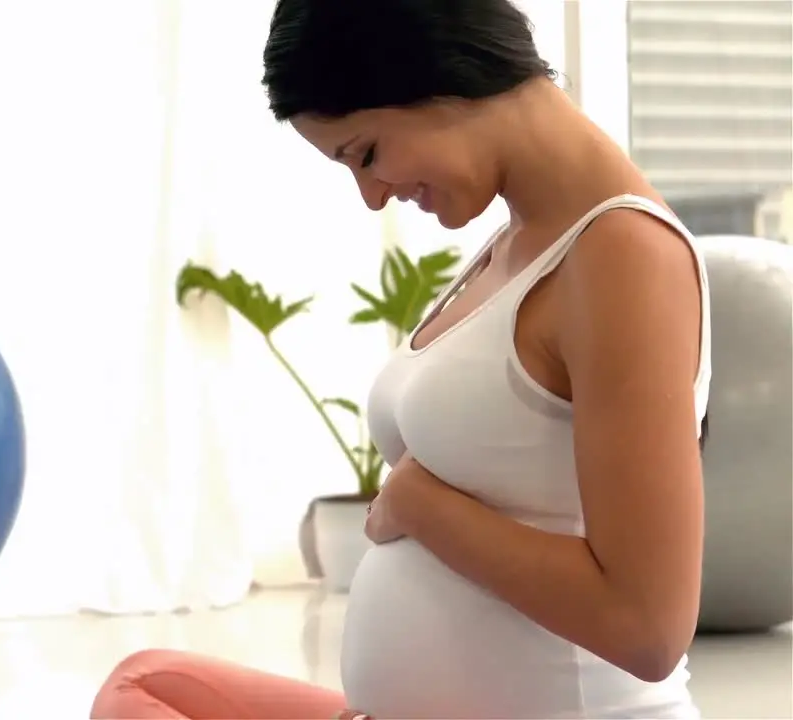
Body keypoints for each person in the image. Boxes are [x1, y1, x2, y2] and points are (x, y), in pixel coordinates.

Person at [91, 0, 713, 718]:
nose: (371, 195)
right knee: (147, 684)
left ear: (439, 74)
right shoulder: (515, 243)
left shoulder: (623, 255)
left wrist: (425, 509)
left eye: (366, 152)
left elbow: (649, 627)